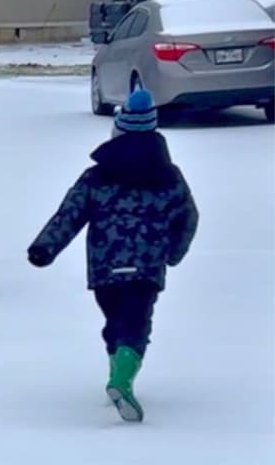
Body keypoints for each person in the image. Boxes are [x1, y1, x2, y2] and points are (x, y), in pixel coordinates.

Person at [28, 89, 198, 423]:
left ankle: (116, 376)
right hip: (147, 265)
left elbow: (70, 213)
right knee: (135, 323)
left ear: (118, 128)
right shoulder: (169, 176)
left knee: (114, 321)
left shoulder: (97, 175)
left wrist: (45, 247)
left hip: (105, 265)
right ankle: (121, 378)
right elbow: (188, 217)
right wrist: (173, 253)